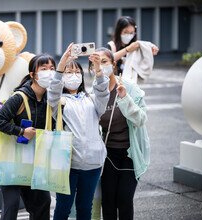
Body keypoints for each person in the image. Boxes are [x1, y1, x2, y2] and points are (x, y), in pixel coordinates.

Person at [48, 43, 110, 220]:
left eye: (77, 73)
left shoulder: (91, 99)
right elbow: (52, 91)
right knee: (63, 208)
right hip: (69, 164)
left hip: (93, 163)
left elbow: (103, 94)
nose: (73, 76)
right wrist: (62, 65)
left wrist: (98, 70)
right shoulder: (58, 101)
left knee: (85, 207)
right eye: (69, 73)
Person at [0, 54, 56, 220]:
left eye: (52, 69)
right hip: (11, 159)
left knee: (43, 202)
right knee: (12, 204)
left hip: (35, 160)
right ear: (33, 74)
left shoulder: (51, 99)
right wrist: (21, 131)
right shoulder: (19, 97)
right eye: (43, 69)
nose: (48, 72)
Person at [92, 47, 150, 220]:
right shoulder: (94, 93)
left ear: (113, 64)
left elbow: (141, 119)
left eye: (105, 62)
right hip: (107, 154)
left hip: (130, 153)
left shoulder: (130, 88)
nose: (102, 67)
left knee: (124, 200)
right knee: (108, 202)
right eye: (97, 63)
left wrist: (124, 98)